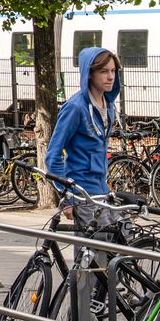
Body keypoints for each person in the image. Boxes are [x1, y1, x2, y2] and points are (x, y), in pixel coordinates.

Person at [46, 47, 120, 226]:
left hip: (102, 188)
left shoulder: (108, 105)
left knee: (122, 236)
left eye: (113, 71)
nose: (110, 77)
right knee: (93, 242)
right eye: (104, 71)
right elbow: (53, 155)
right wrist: (67, 196)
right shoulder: (75, 107)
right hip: (82, 191)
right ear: (89, 74)